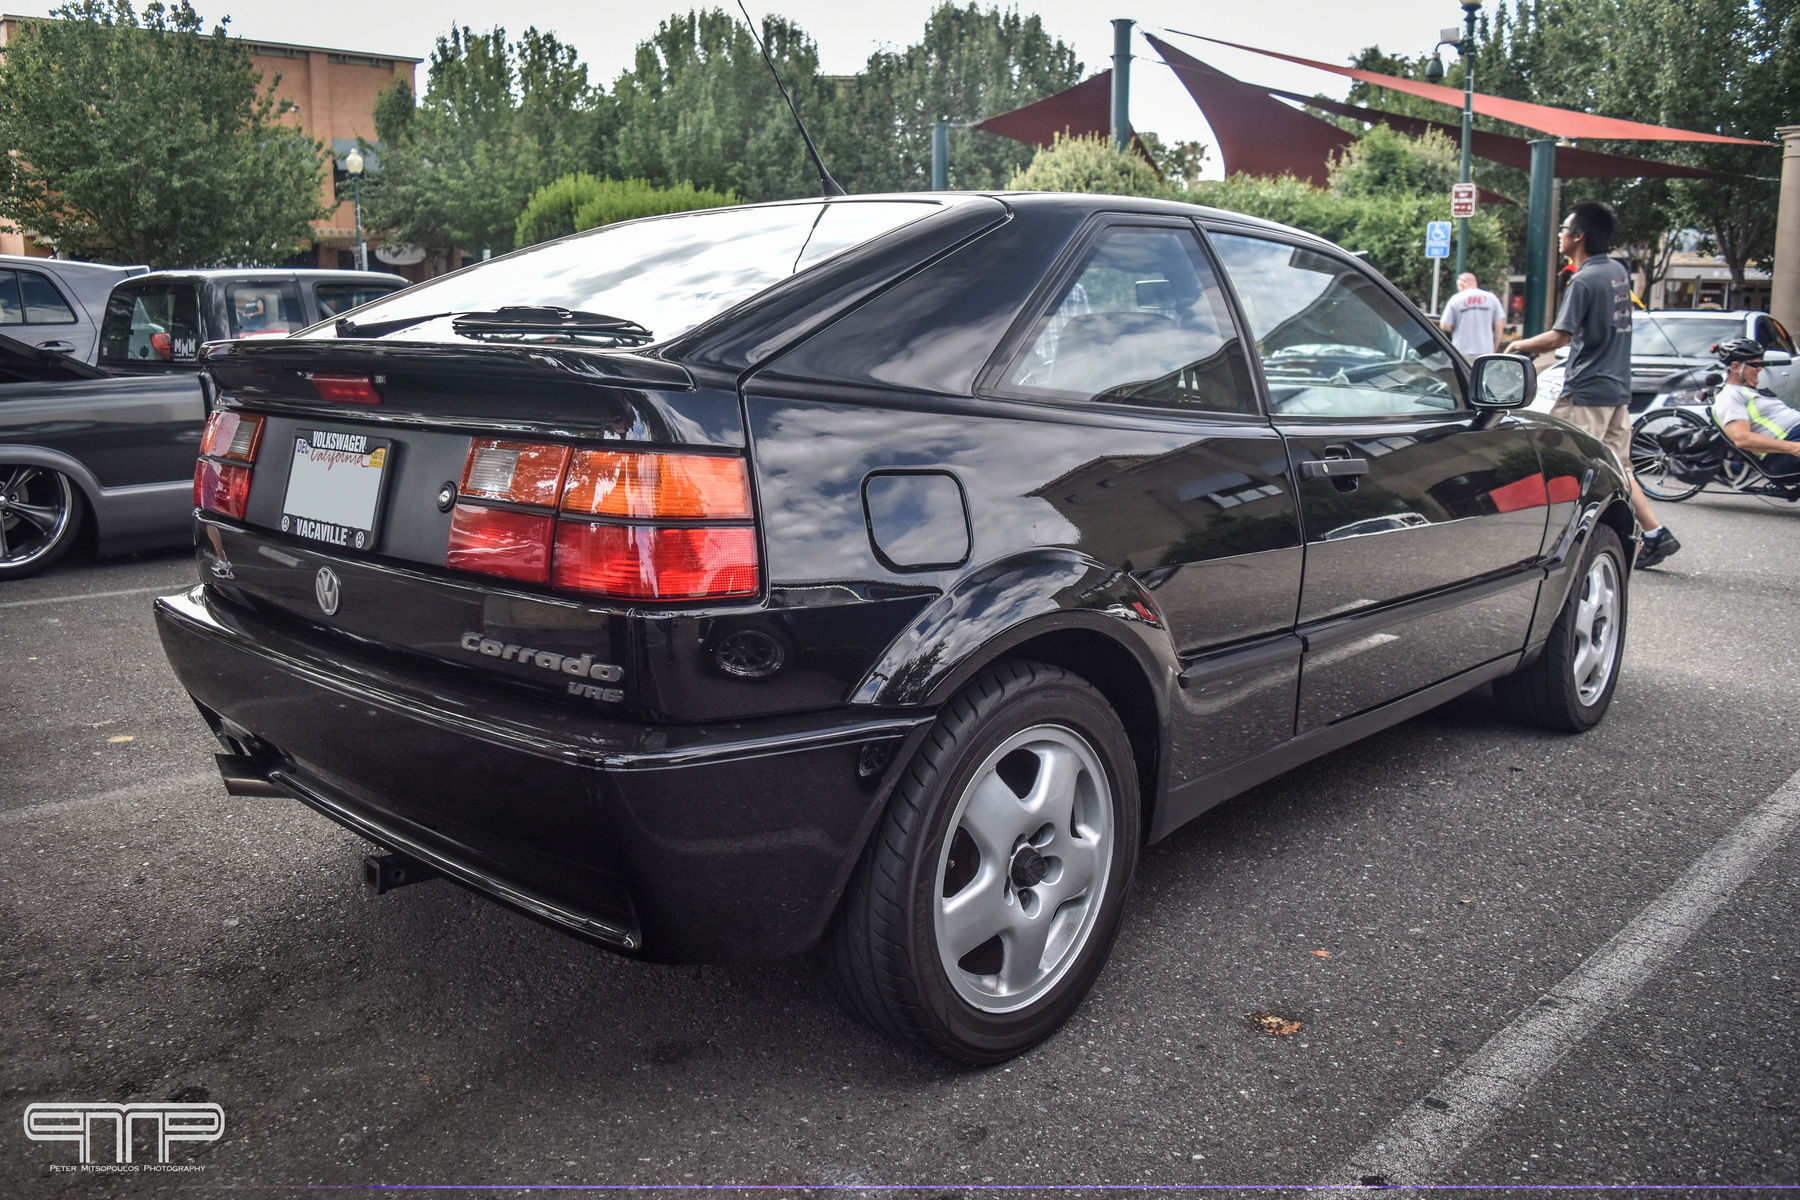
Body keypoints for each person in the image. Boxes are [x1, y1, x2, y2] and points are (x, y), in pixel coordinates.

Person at [1510, 201, 1680, 569]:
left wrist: (1518, 345)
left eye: (1563, 229)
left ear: (1579, 236)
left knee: (1564, 461)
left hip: (1588, 390)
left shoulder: (1584, 280)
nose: (1559, 235)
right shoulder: (1617, 272)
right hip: (1617, 389)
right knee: (1620, 466)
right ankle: (1655, 534)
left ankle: (1560, 543)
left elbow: (1560, 336)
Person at [1710, 337, 1800, 479]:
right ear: (1736, 367)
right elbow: (1742, 439)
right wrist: (1793, 447)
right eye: (1755, 365)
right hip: (1784, 451)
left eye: (1761, 364)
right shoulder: (1729, 396)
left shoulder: (1748, 391)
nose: (1760, 368)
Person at [1440, 271, 1505, 357]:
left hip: (1462, 352)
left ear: (1462, 285)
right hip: (1486, 352)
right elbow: (1499, 326)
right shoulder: (1491, 298)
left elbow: (1445, 325)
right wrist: (1494, 349)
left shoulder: (1455, 299)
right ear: (1475, 283)